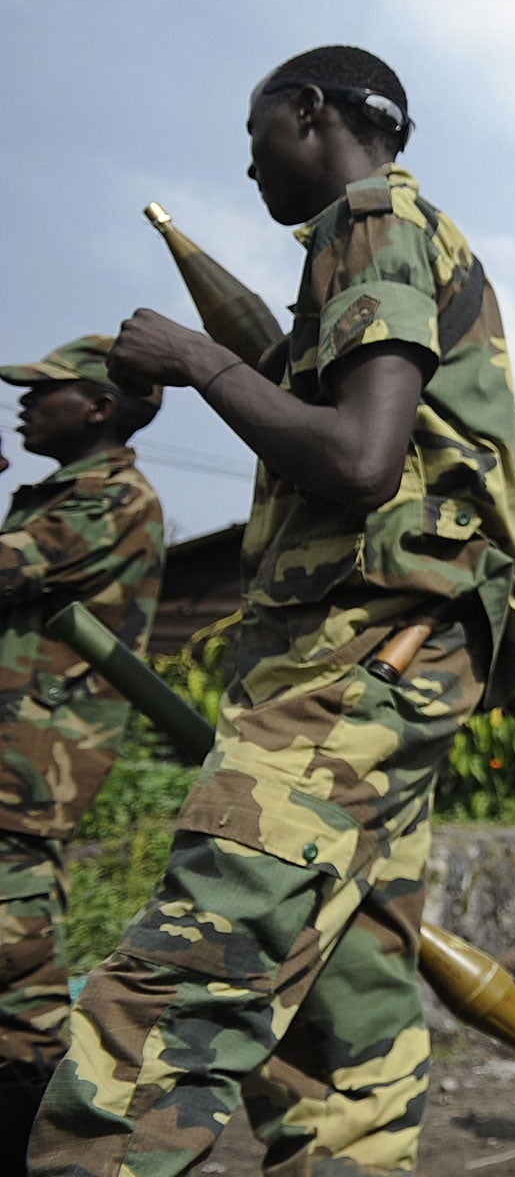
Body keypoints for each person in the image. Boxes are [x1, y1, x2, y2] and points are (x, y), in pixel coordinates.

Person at [30, 45, 515, 1177]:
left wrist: (201, 361)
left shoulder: (370, 218)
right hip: (381, 662)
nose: (247, 161)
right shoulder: (391, 238)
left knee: (171, 996)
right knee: (338, 1036)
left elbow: (361, 460)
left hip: (360, 663)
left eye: (258, 131)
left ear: (311, 111)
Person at [0, 342, 164, 1171]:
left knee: (16, 989)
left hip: (25, 776)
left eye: (44, 392)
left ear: (99, 407)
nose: (25, 405)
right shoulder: (56, 497)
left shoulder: (109, 498)